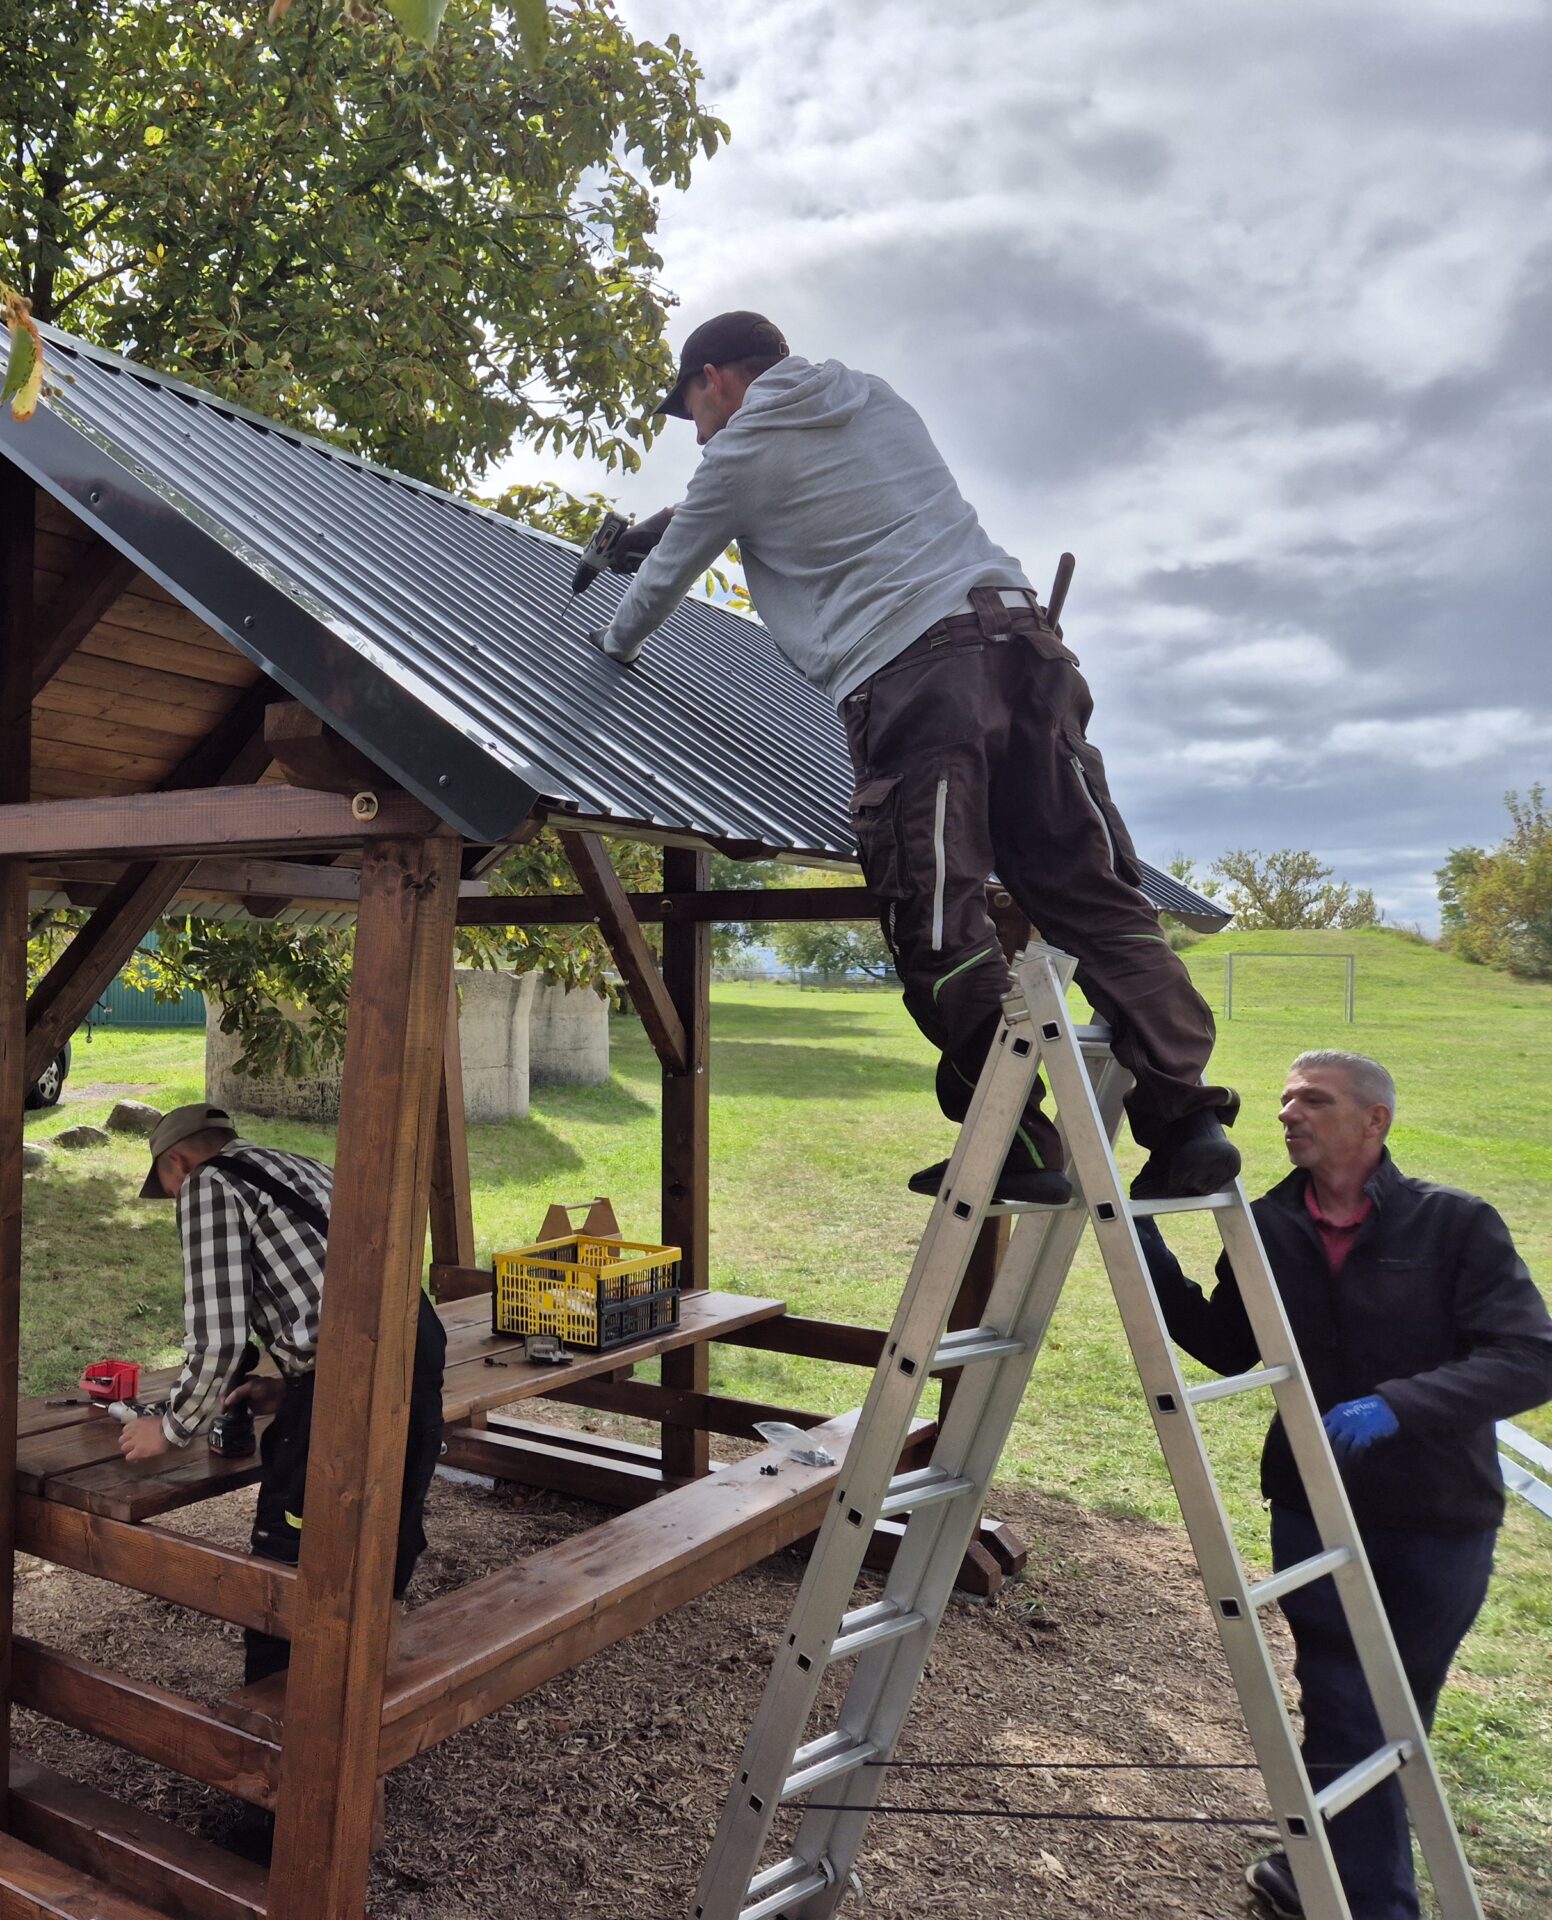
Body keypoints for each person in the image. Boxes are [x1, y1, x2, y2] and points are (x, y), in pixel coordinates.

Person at [596, 310, 1237, 1202]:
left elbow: (664, 578)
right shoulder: (873, 398)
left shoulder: (737, 454)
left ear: (716, 379)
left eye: (693, 411)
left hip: (921, 681)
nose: (698, 434)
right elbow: (789, 489)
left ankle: (1013, 1140)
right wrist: (667, 524)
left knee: (936, 915)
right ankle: (1188, 1119)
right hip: (1031, 652)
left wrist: (609, 643)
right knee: (1094, 895)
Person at [1137, 1051, 1552, 1919]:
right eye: (1286, 1100)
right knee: (1341, 1697)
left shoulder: (1455, 1223)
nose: (1288, 1114)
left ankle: (1313, 1869)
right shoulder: (1264, 1223)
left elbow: (1529, 1357)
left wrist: (1401, 1405)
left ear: (1374, 1120)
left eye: (1313, 1101)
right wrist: (1150, 1256)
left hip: (1441, 1515)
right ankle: (1368, 1901)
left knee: (1395, 1709)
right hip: (1313, 1506)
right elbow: (1229, 1346)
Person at [127, 1102, 447, 1686]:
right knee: (387, 1530)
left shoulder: (207, 1185)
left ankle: (279, 1716)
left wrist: (169, 1428)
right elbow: (332, 1286)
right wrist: (292, 1384)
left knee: (289, 1555)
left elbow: (219, 1338)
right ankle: (367, 1685)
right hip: (415, 1348)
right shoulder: (297, 1166)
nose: (174, 1197)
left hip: (353, 1378)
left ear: (177, 1162)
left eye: (167, 1186)